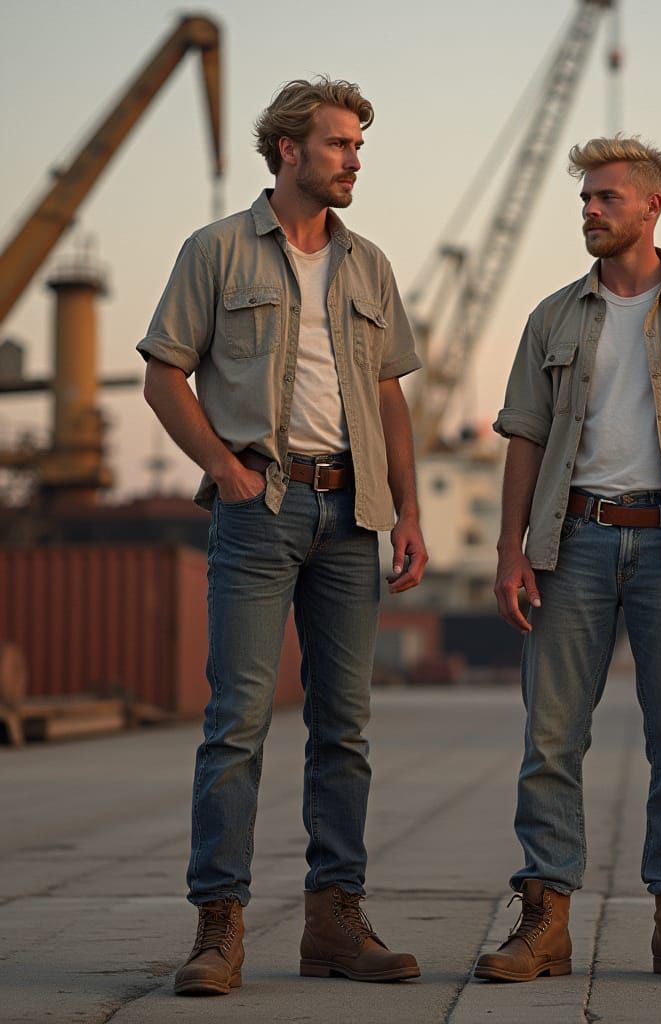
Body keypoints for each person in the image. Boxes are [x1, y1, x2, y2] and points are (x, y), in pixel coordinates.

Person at [139, 77, 427, 996]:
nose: (353, 161)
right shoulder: (217, 251)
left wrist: (408, 512)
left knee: (345, 729)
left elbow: (388, 395)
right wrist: (226, 470)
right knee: (237, 726)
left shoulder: (369, 265)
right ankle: (218, 928)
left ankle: (335, 923)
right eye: (339, 145)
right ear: (290, 151)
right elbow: (163, 377)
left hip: (353, 517)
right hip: (257, 511)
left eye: (359, 147)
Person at [476, 136, 661, 984]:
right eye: (585, 200)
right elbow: (523, 438)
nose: (590, 212)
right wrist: (512, 552)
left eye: (606, 198)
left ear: (652, 206)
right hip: (573, 545)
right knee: (551, 738)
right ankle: (545, 921)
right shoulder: (553, 318)